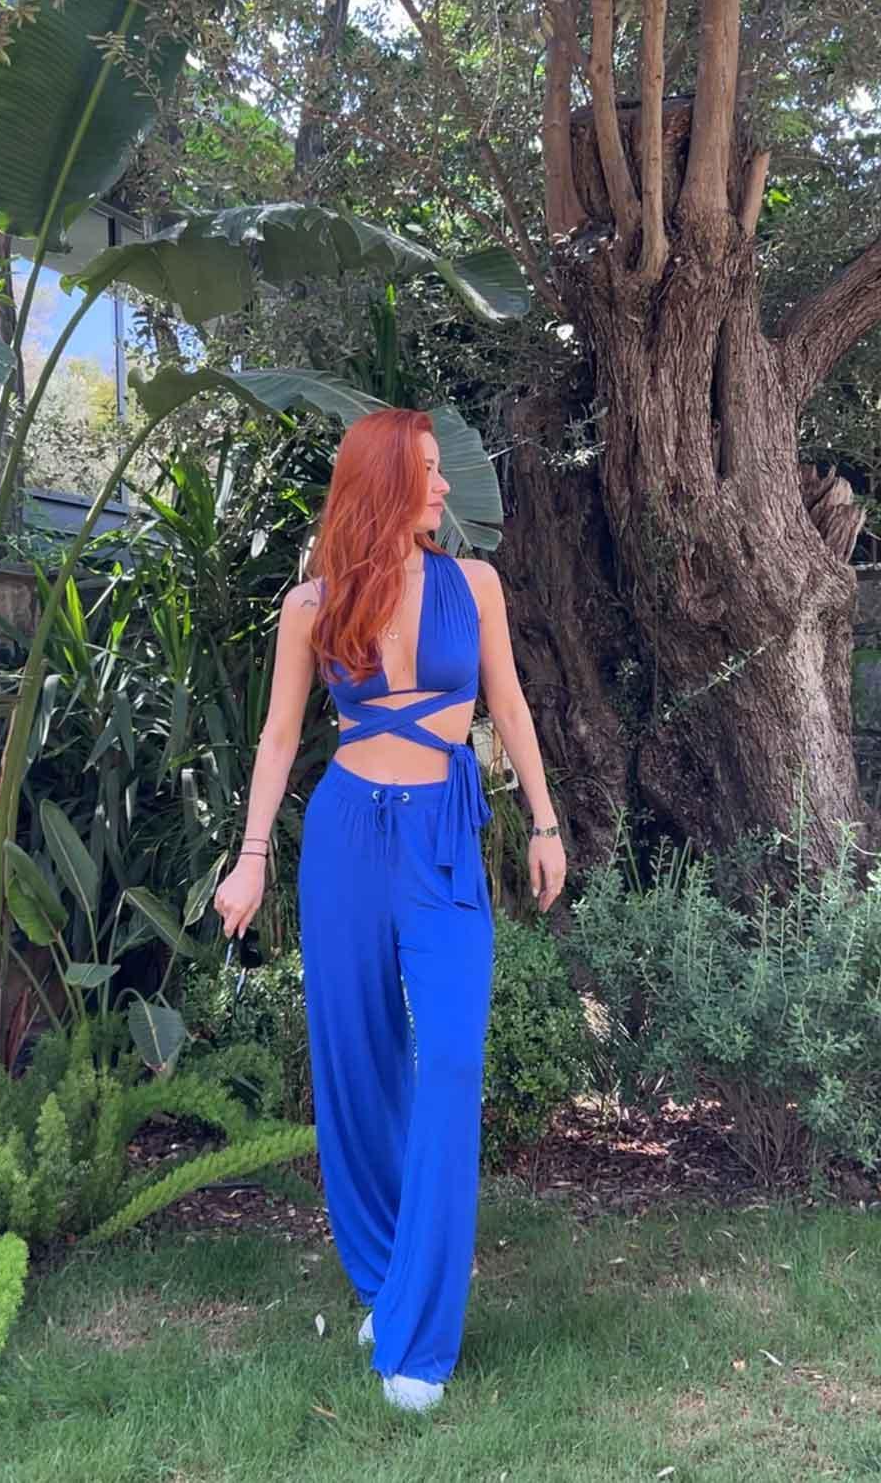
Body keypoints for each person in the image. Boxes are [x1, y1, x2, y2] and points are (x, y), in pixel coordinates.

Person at [213, 408, 566, 1412]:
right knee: (357, 1060)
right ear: (383, 482)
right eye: (428, 470)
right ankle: (384, 1276)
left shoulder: (476, 586)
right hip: (346, 839)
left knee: (449, 1057)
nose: (445, 486)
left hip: (443, 836)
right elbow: (280, 740)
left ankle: (418, 1341)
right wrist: (250, 859)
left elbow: (509, 706)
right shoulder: (311, 605)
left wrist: (544, 823)